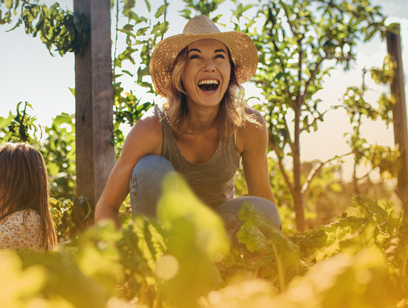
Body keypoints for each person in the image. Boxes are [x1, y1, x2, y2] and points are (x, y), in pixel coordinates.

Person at [93, 15, 282, 235]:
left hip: (220, 232)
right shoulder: (150, 129)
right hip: (168, 237)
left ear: (230, 71)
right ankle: (158, 263)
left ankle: (225, 267)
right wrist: (119, 257)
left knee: (265, 210)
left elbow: (264, 201)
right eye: (196, 58)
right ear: (180, 73)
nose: (209, 66)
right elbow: (105, 207)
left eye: (218, 57)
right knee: (150, 167)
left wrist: (285, 259)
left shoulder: (249, 125)